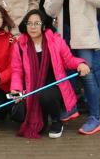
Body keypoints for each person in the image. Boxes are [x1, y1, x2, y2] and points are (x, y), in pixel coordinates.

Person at [44, 0, 100, 135]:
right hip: (64, 35)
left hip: (84, 35)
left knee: (87, 75)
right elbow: (49, 11)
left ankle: (95, 118)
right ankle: (71, 107)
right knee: (67, 74)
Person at [10, 9, 90, 139]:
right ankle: (42, 117)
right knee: (35, 125)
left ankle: (56, 120)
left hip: (55, 87)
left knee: (46, 95)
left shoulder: (55, 41)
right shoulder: (20, 45)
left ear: (44, 25)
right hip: (31, 89)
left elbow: (69, 60)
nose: (33, 27)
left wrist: (80, 64)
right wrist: (16, 89)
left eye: (37, 23)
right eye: (29, 23)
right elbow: (16, 70)